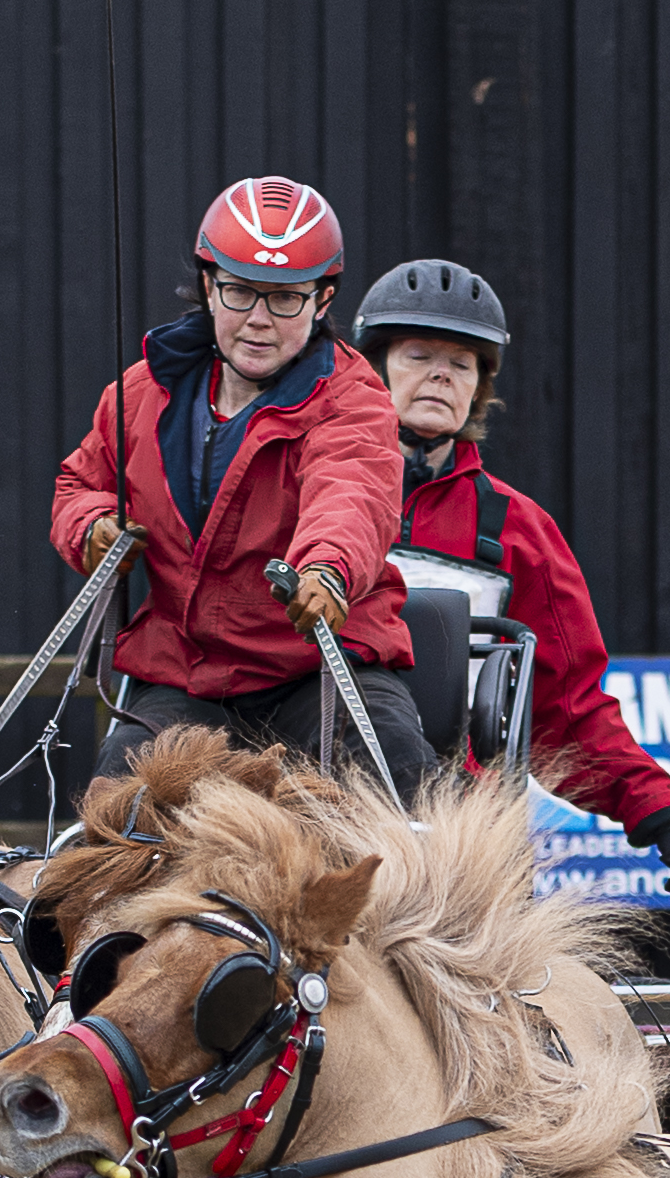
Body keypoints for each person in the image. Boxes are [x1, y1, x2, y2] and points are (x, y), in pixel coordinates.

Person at [348, 257, 670, 902]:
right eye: (418, 354)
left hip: (459, 829)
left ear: (478, 389)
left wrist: (661, 818)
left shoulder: (519, 530)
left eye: (461, 363)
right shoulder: (312, 497)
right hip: (325, 798)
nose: (441, 373)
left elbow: (567, 710)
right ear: (372, 370)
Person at [52, 175, 439, 801]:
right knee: (111, 823)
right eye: (239, 292)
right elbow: (80, 482)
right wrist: (92, 525)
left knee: (401, 790)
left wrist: (329, 570)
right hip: (188, 678)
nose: (258, 320)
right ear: (209, 286)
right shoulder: (137, 396)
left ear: (322, 300)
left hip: (320, 672)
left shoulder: (353, 399)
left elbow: (354, 489)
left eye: (285, 299)